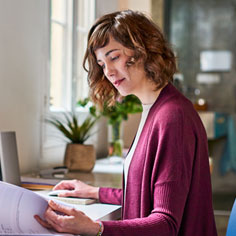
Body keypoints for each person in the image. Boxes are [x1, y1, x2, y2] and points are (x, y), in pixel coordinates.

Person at [35, 10, 217, 236]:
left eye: (114, 57)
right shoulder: (155, 109)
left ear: (143, 49)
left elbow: (166, 224)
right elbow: (146, 193)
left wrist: (95, 228)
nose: (108, 72)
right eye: (101, 64)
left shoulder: (173, 117)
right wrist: (95, 192)